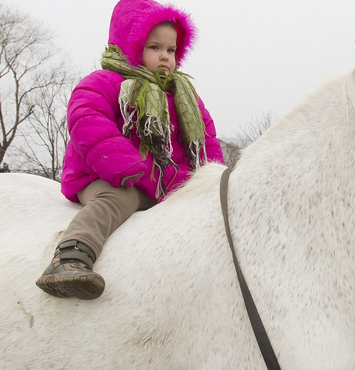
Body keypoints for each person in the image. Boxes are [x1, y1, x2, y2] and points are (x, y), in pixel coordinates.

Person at [35, 0, 224, 300]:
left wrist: (214, 179)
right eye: (154, 47)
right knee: (117, 199)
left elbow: (207, 139)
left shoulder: (182, 96)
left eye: (171, 50)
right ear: (130, 46)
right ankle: (71, 254)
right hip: (106, 176)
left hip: (162, 184)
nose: (164, 56)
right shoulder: (106, 83)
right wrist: (123, 164)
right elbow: (87, 118)